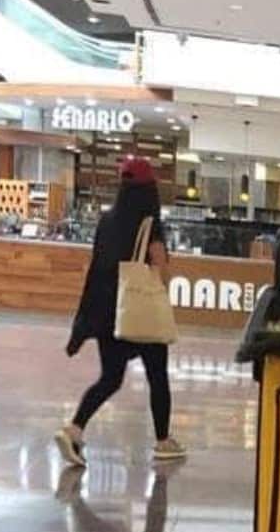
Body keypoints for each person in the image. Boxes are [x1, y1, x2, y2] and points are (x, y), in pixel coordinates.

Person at [54, 156, 186, 467]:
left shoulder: (107, 221)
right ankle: (163, 441)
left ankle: (74, 429)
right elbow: (160, 269)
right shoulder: (150, 224)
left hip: (107, 313)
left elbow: (98, 267)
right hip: (139, 311)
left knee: (110, 378)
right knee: (157, 376)